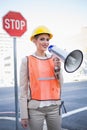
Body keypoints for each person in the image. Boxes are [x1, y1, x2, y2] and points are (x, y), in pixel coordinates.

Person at [19, 25, 63, 130]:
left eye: (47, 39)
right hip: (35, 109)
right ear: (34, 40)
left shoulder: (54, 59)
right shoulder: (27, 60)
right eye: (42, 39)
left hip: (54, 108)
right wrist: (24, 115)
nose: (46, 42)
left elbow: (60, 84)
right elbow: (23, 90)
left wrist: (58, 69)